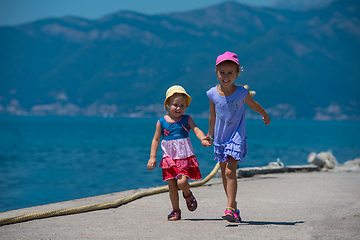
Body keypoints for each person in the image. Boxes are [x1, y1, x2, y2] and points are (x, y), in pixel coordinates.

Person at [206, 51, 271, 222]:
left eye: (230, 73)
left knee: (230, 170)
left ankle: (229, 208)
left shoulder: (241, 92)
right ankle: (233, 207)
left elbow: (253, 104)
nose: (226, 76)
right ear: (216, 73)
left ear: (237, 74)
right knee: (223, 173)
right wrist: (210, 134)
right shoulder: (212, 93)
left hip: (236, 137)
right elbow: (212, 116)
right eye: (222, 72)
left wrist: (264, 114)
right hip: (220, 139)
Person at [147, 85, 211, 221]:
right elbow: (156, 139)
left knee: (182, 182)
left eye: (182, 105)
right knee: (172, 186)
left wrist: (203, 138)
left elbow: (196, 129)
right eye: (175, 105)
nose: (178, 108)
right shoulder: (161, 122)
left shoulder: (186, 119)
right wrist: (152, 157)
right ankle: (176, 210)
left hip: (183, 156)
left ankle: (188, 195)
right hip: (168, 158)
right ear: (167, 105)